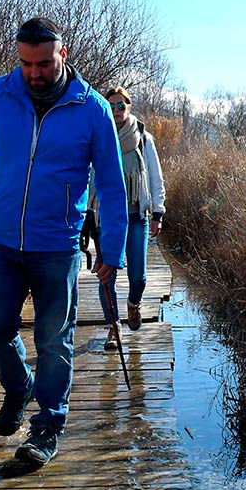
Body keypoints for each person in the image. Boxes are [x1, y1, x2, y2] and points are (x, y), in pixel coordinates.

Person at [0, 17, 128, 467]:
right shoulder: (0, 94)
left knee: (54, 341)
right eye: (26, 63)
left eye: (43, 63)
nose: (33, 72)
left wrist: (112, 250)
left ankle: (46, 429)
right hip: (0, 241)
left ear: (63, 55)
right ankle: (19, 385)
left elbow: (112, 185)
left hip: (57, 247)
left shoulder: (91, 108)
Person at [91, 86, 165, 345]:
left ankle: (134, 304)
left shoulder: (143, 138)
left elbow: (155, 177)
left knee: (138, 277)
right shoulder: (99, 137)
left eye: (121, 105)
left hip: (136, 216)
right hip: (107, 218)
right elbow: (89, 177)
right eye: (111, 106)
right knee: (106, 277)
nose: (116, 110)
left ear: (129, 107)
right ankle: (114, 328)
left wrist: (158, 212)